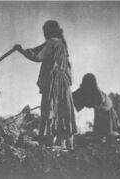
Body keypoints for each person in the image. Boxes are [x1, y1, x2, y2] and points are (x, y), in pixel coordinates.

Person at [13, 20, 77, 150]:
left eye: (45, 31)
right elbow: (38, 50)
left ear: (49, 31)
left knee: (50, 108)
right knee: (62, 109)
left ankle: (49, 142)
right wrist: (23, 51)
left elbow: (38, 56)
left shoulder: (53, 42)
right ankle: (63, 143)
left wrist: (21, 51)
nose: (44, 34)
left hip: (54, 81)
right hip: (63, 83)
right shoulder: (61, 44)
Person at [73, 73, 119, 145]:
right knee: (99, 130)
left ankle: (104, 140)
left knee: (105, 131)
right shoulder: (86, 89)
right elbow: (76, 94)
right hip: (100, 108)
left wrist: (85, 102)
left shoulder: (97, 92)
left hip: (106, 108)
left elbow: (96, 102)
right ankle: (101, 139)